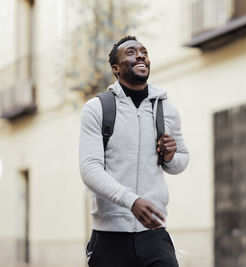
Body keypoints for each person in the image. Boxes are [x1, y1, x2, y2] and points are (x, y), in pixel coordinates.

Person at [79, 35, 189, 267]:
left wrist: (170, 157)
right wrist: (132, 201)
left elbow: (181, 161)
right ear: (115, 68)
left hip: (154, 234)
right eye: (130, 52)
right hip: (109, 237)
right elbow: (90, 169)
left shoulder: (166, 109)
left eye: (144, 52)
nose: (140, 55)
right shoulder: (97, 108)